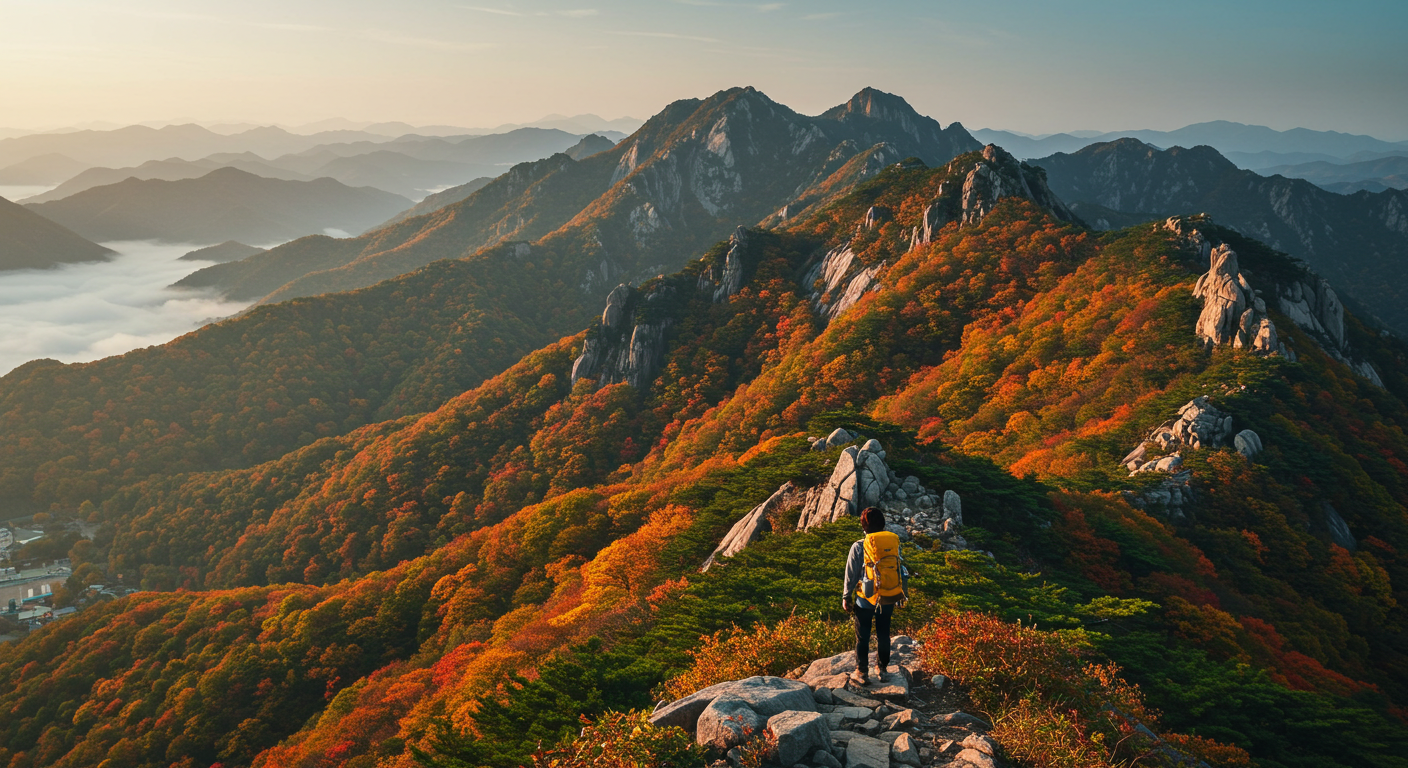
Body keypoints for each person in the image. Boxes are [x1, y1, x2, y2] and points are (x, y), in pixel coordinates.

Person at [842, 506, 908, 685]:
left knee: (862, 635)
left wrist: (846, 596)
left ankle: (862, 672)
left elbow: (851, 574)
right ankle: (883, 670)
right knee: (883, 634)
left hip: (865, 597)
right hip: (887, 595)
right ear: (883, 524)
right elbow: (899, 568)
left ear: (864, 526)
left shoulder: (858, 546)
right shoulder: (892, 543)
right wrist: (902, 593)